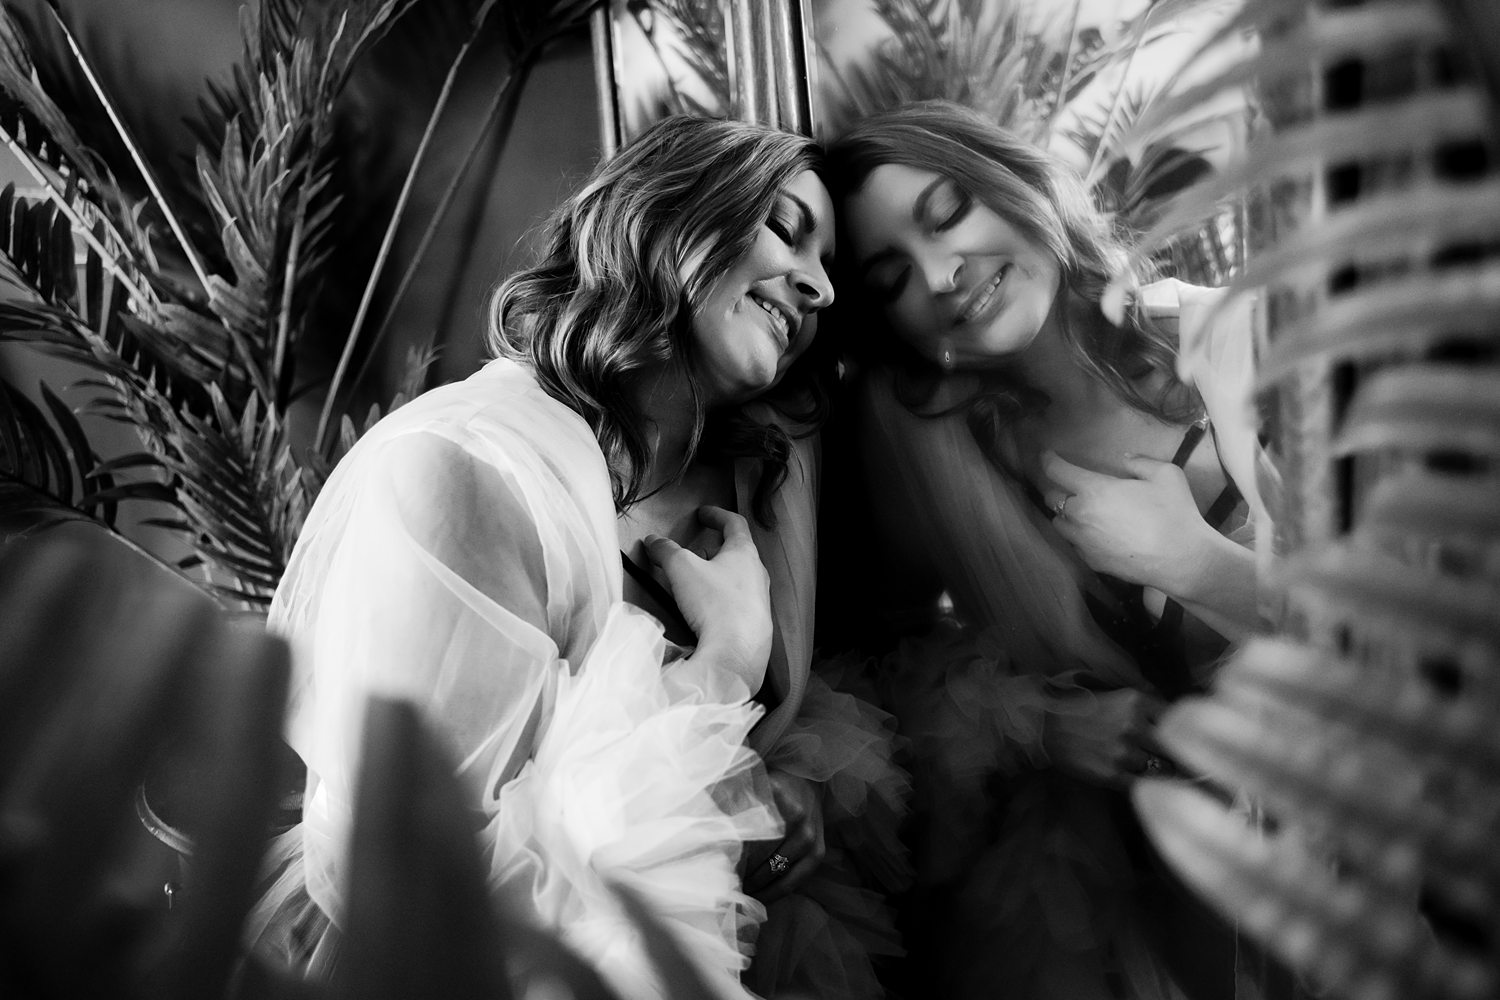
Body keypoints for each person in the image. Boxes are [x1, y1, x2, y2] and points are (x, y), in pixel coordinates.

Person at [245, 114, 904, 1000]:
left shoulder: (694, 506)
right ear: (669, 215)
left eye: (832, 270)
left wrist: (761, 798)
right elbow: (437, 902)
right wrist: (724, 669)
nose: (819, 286)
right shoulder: (466, 470)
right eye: (787, 229)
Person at [821, 100, 1280, 1000]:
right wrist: (1050, 723)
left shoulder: (1227, 338)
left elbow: (1400, 632)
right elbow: (875, 669)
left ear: (1017, 185)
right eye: (892, 277)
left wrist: (1189, 562)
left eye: (947, 212)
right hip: (1162, 903)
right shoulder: (935, 456)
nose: (943, 272)